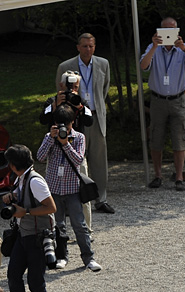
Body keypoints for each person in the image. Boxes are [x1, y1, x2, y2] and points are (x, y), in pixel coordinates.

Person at [36, 104, 101, 273]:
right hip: (54, 190)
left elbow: (78, 160)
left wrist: (65, 144)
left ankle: (89, 258)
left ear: (73, 122)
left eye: (67, 124)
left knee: (79, 225)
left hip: (72, 190)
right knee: (58, 225)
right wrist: (51, 138)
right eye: (60, 124)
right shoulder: (49, 136)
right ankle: (62, 256)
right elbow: (40, 157)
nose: (64, 127)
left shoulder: (79, 137)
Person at [1, 144, 57, 292]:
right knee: (13, 275)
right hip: (23, 235)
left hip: (37, 236)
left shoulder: (35, 181)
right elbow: (23, 196)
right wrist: (12, 196)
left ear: (13, 164)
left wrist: (27, 212)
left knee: (35, 280)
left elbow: (51, 207)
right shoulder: (21, 179)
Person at [140, 16, 185, 191]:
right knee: (156, 138)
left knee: (180, 139)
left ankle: (179, 177)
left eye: (172, 30)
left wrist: (184, 48)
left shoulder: (183, 48)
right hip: (158, 100)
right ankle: (158, 175)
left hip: (178, 100)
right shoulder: (153, 48)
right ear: (159, 31)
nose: (168, 33)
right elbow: (143, 66)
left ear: (177, 32)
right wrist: (153, 47)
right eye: (165, 29)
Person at [56, 33, 114, 214]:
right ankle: (70, 199)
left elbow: (104, 89)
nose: (88, 50)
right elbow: (60, 91)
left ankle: (100, 199)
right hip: (75, 119)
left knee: (98, 160)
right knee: (73, 159)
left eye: (91, 46)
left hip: (96, 117)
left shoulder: (103, 64)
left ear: (94, 47)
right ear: (78, 47)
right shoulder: (66, 67)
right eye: (84, 46)